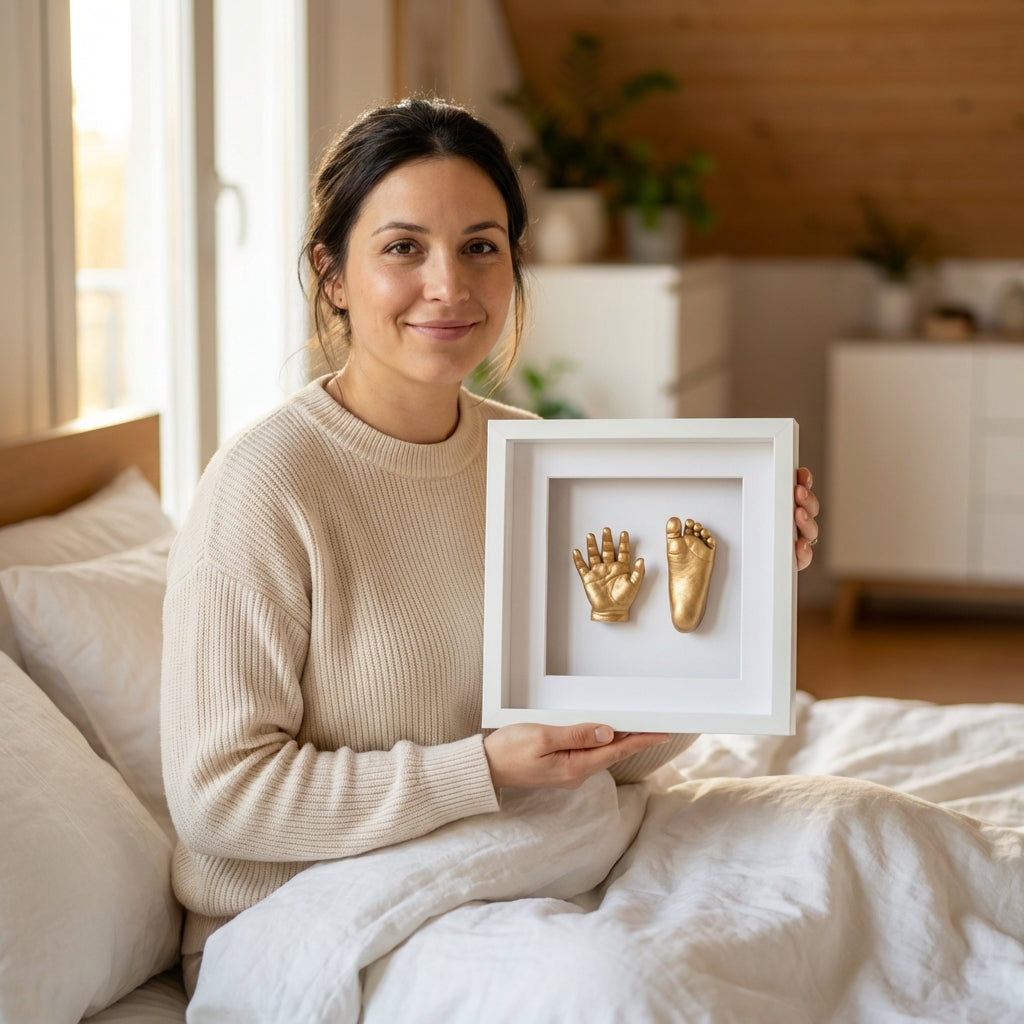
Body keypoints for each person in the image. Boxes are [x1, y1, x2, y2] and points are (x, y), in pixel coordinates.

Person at [161, 96, 820, 997]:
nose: (451, 286)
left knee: (824, 864)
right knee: (620, 987)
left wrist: (744, 591)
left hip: (514, 862)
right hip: (306, 912)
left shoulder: (533, 457)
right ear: (334, 273)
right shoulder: (265, 484)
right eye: (403, 248)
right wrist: (478, 770)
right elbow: (219, 797)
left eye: (480, 245)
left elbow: (605, 745)